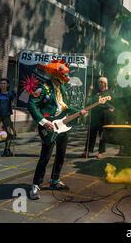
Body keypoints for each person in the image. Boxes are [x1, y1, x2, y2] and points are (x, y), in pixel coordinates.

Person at [27, 60, 87, 200]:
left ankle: (54, 181)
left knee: (61, 155)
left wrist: (80, 111)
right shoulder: (43, 88)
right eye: (64, 75)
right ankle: (35, 185)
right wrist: (43, 121)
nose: (67, 77)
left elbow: (65, 107)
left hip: (62, 127)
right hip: (48, 126)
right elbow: (32, 105)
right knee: (45, 157)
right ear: (56, 75)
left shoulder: (63, 89)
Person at [82, 77, 115, 159]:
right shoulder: (95, 93)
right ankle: (87, 150)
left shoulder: (109, 93)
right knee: (91, 134)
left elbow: (114, 104)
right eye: (99, 82)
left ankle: (100, 152)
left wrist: (111, 109)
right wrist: (89, 91)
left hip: (104, 117)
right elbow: (88, 103)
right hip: (94, 116)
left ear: (105, 84)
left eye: (102, 82)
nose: (100, 84)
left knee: (102, 135)